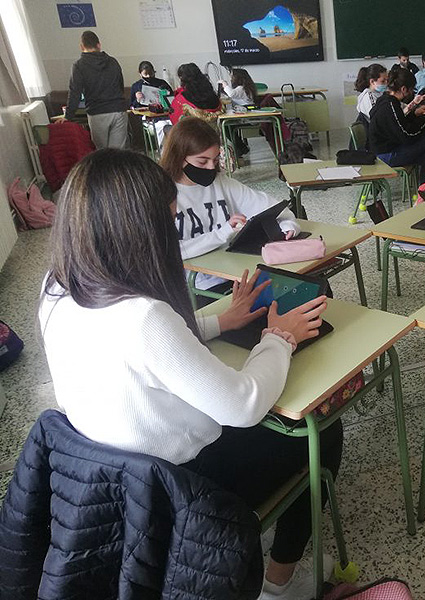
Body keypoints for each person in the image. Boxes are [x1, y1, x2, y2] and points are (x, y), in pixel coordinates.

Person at [38, 148, 339, 599]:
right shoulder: (145, 317)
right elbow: (244, 404)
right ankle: (279, 582)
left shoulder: (56, 290)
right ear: (140, 231)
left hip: (114, 483)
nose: (172, 235)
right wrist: (280, 337)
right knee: (319, 429)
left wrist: (221, 322)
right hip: (181, 487)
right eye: (169, 223)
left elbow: (134, 348)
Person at [160, 117, 299, 298]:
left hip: (234, 274)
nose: (211, 168)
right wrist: (222, 233)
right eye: (202, 162)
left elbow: (273, 208)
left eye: (216, 160)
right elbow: (167, 252)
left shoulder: (221, 182)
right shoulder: (162, 192)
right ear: (178, 157)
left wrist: (287, 226)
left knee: (312, 288)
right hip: (193, 286)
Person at [368, 67, 425, 183]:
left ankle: (424, 187)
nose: (412, 93)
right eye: (411, 90)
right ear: (404, 89)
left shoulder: (385, 100)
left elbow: (399, 124)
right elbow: (407, 135)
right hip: (385, 155)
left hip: (385, 150)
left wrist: (414, 114)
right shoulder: (391, 106)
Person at [65, 31, 128, 149]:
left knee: (102, 153)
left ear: (82, 47)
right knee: (119, 154)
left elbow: (75, 92)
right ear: (99, 45)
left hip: (97, 113)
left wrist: (68, 117)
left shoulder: (79, 65)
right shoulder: (113, 61)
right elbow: (120, 85)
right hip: (118, 109)